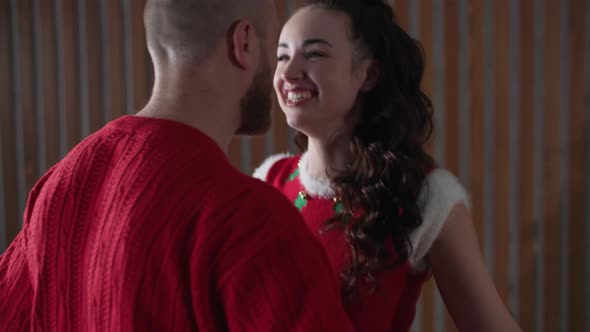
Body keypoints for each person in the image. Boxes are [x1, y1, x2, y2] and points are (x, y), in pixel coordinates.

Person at [0, 0, 355, 331]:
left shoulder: (58, 185)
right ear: (243, 42)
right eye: (275, 50)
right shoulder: (252, 220)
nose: (284, 72)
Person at [254, 1, 522, 331]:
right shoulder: (269, 180)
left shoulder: (427, 196)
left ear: (368, 74)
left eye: (315, 54)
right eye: (282, 56)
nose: (289, 72)